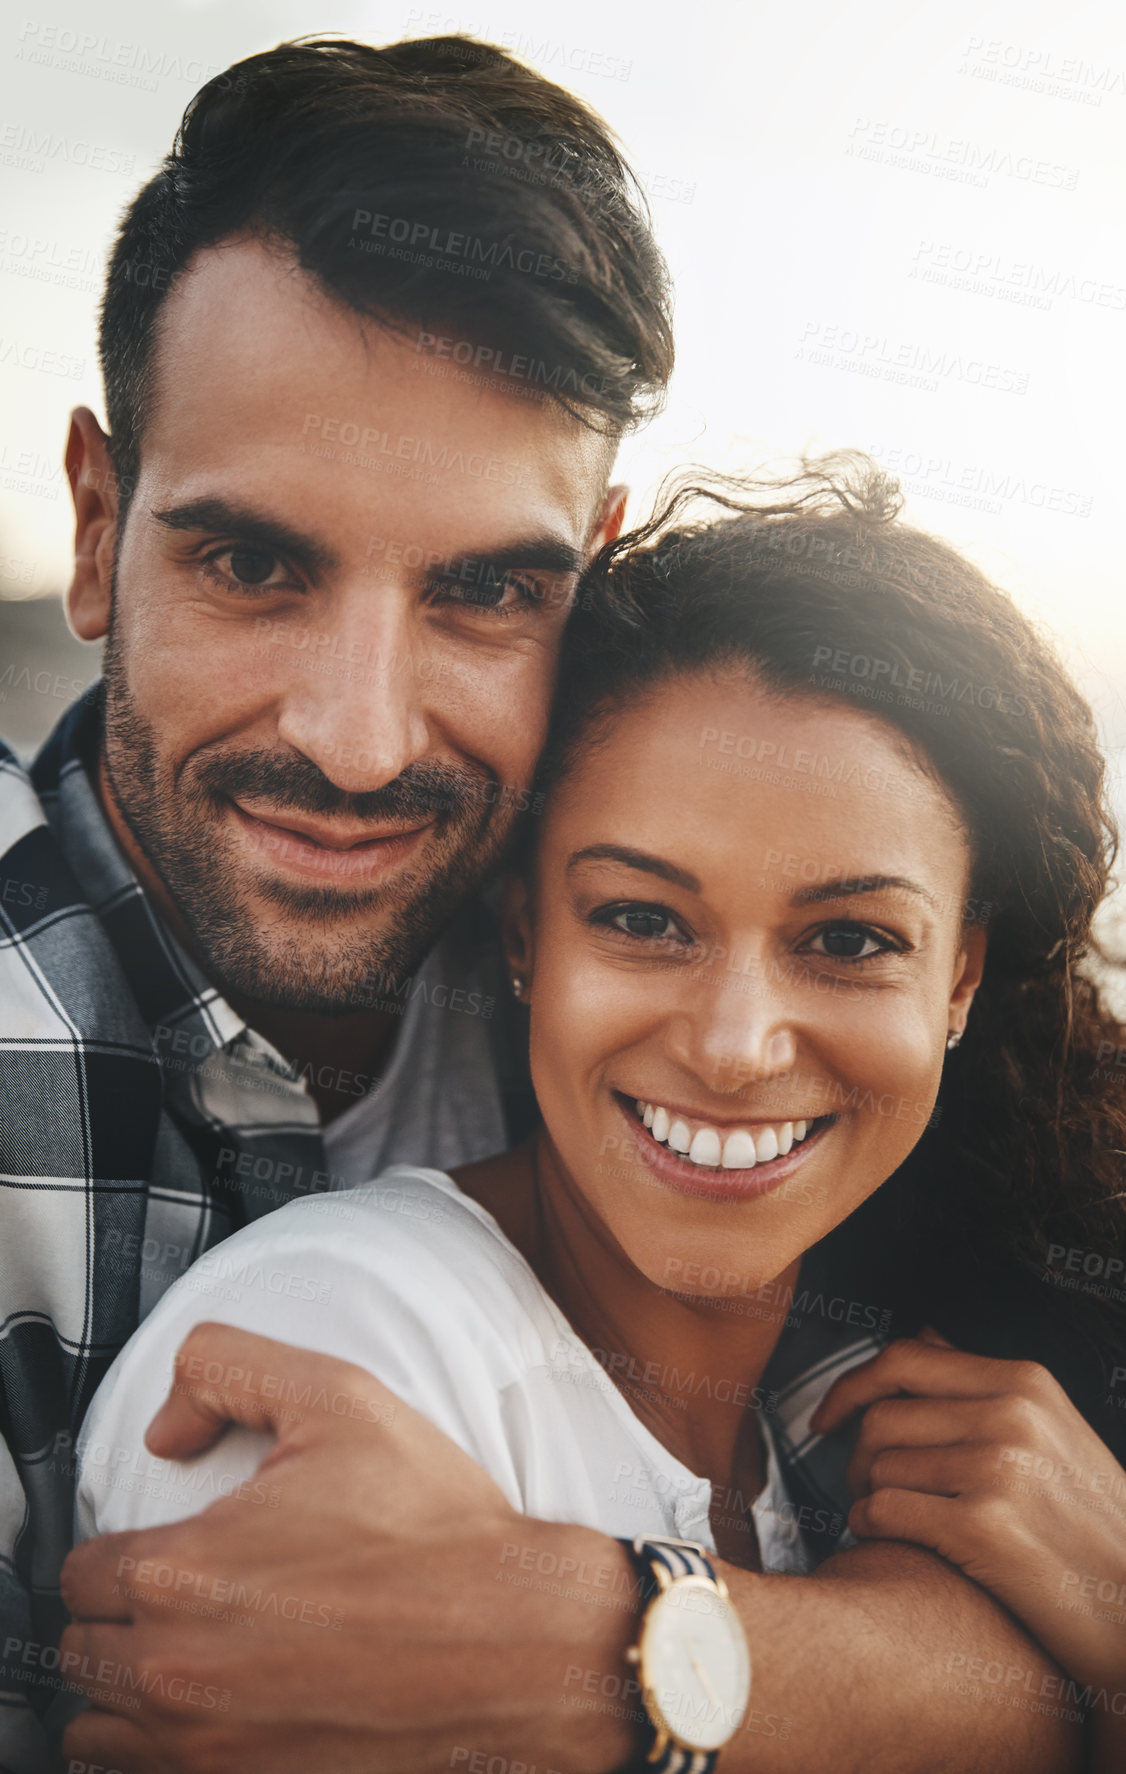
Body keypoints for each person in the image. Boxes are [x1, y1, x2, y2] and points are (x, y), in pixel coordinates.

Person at [69, 461, 1126, 1772]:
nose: (735, 1048)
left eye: (848, 937)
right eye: (639, 917)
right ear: (525, 931)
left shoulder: (854, 1425)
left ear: (957, 975)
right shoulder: (348, 1346)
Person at [0, 33, 672, 1768]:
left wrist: (628, 1646)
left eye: (485, 593)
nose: (360, 743)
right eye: (251, 564)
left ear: (587, 579)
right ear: (96, 525)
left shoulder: (689, 992)